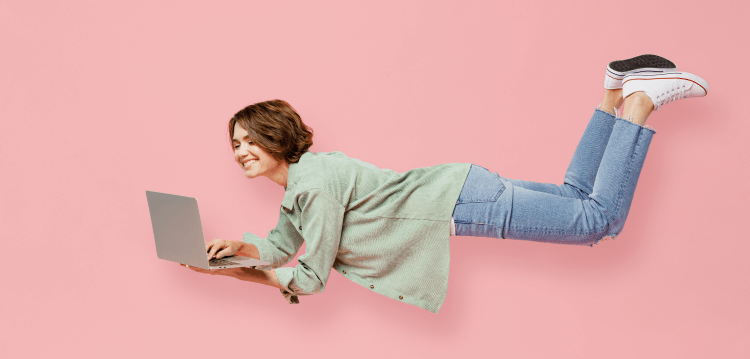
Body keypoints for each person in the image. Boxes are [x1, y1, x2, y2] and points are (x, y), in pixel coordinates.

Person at [183, 54, 709, 313]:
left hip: (458, 204)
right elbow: (281, 246)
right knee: (577, 200)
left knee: (598, 220)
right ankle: (611, 93)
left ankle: (638, 103)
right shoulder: (304, 184)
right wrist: (240, 248)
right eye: (234, 144)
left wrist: (232, 276)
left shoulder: (313, 186)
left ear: (276, 138)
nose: (240, 153)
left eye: (249, 140)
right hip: (461, 190)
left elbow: (310, 277)